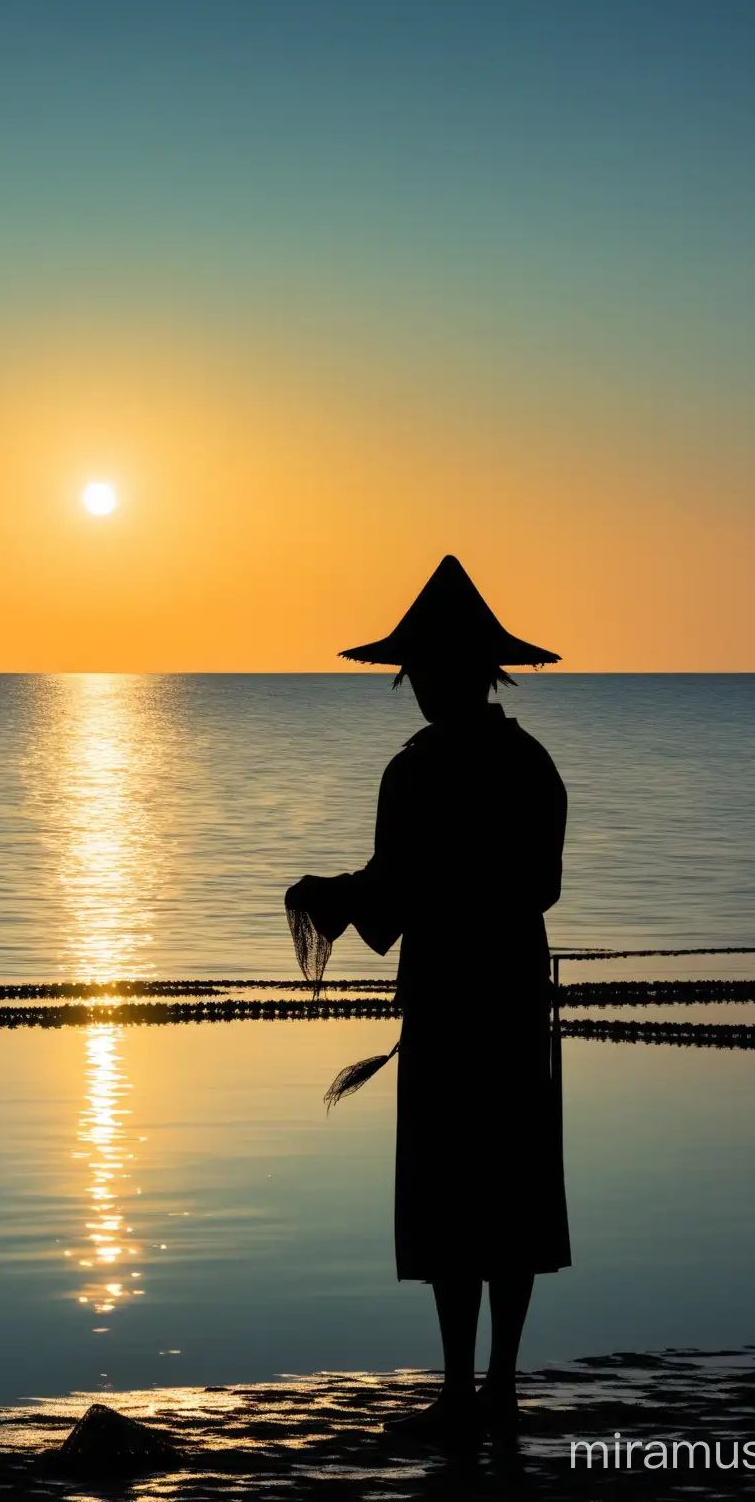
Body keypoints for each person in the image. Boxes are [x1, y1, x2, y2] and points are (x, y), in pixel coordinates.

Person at [286, 554, 569, 1446]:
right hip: (514, 992)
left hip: (453, 1001)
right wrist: (377, 889)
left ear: (453, 674)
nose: (419, 690)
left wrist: (331, 894)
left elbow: (394, 896)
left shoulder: (414, 772)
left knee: (457, 1190)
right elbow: (538, 888)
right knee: (509, 1189)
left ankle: (463, 1389)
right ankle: (497, 1388)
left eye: (425, 674)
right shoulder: (529, 763)